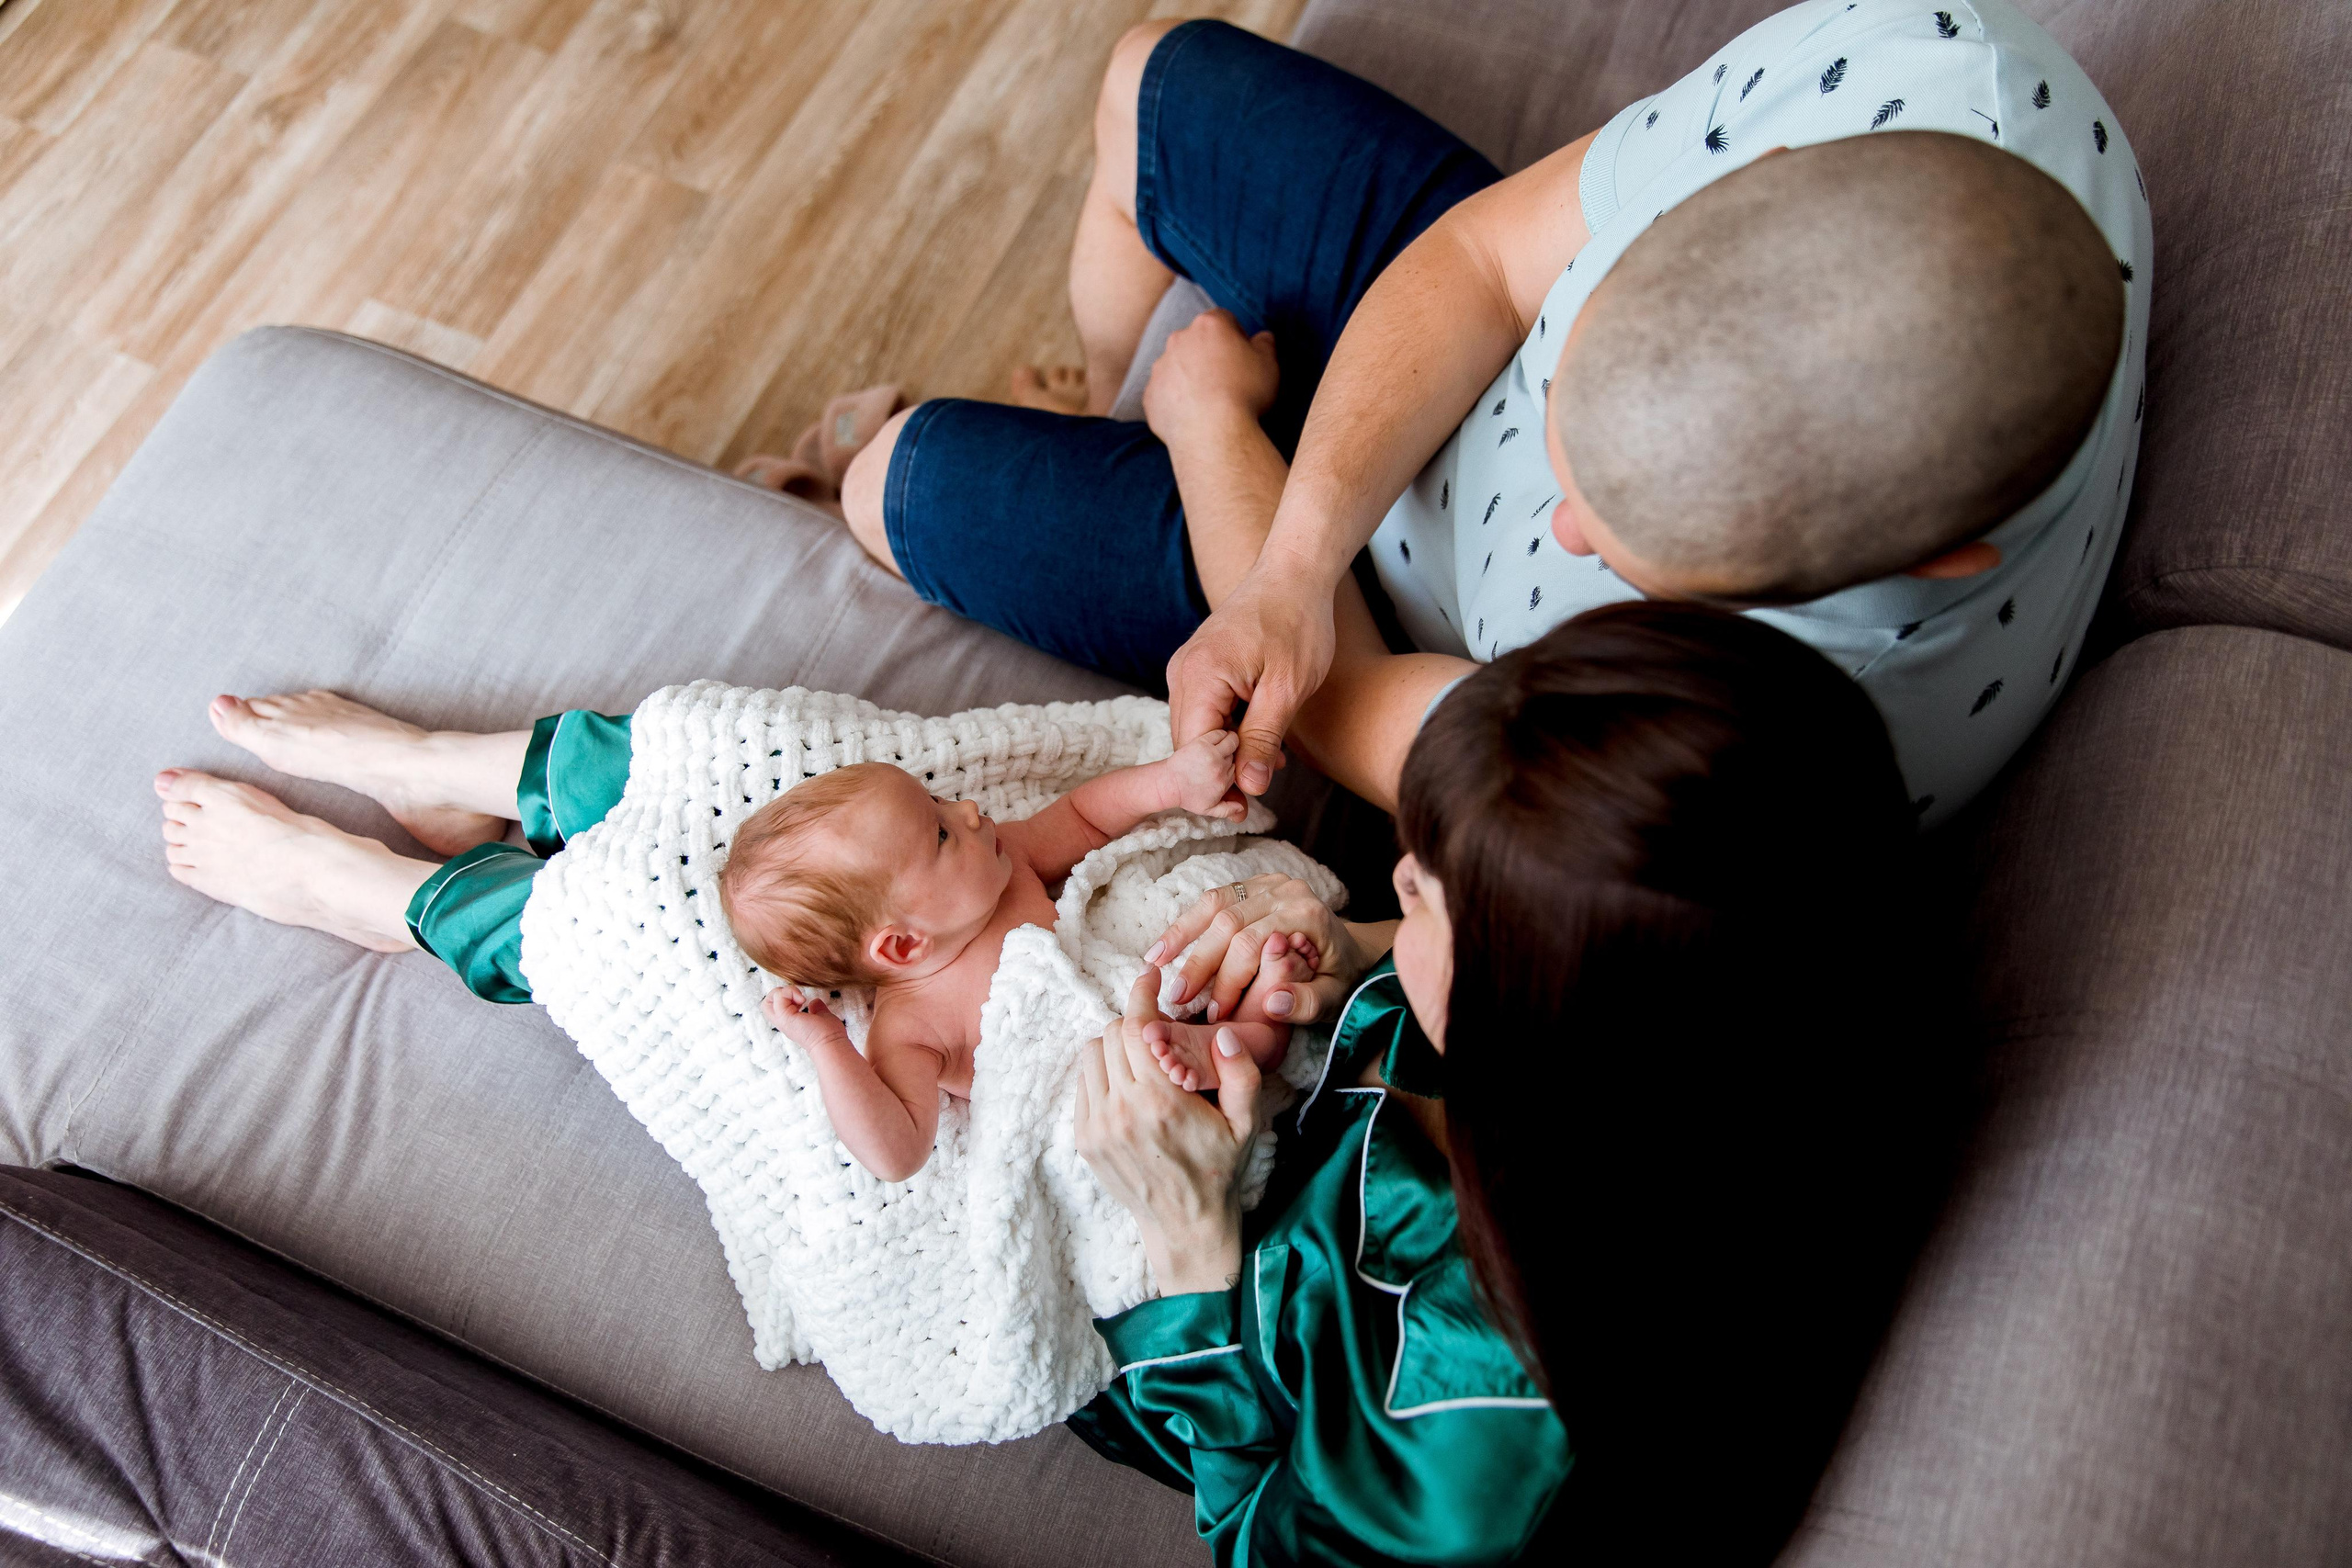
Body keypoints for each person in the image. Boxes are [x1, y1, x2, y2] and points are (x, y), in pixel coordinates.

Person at [754, 1, 2147, 825]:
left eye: (1621, 549)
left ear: (1936, 558)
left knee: (890, 480)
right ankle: (1104, 374)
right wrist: (1288, 557)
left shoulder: (1763, 756)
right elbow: (1488, 259)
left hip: (1366, 622)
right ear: (1746, 183)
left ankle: (1115, 413)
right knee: (1152, 77)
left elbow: (1361, 718)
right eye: (1581, 447)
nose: (1564, 520)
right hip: (1349, 498)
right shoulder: (1922, 60)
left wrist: (1220, 448)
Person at [1069, 600, 1938, 1563]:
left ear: (1536, 1019)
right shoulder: (1728, 996)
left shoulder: (1475, 1442)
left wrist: (1189, 1248)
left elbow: (1263, 1540)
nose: (1396, 877)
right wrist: (1355, 953)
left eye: (1431, 894)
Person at [152, 695, 1304, 1182]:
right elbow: (897, 1148)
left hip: (1155, 1030)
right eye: (950, 831)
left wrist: (1172, 780)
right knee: (664, 903)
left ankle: (448, 833)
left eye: (951, 815)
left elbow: (1091, 817)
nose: (975, 815)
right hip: (1141, 1054)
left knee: (727, 744)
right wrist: (822, 1050)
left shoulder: (1000, 864)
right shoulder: (912, 1023)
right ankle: (442, 867)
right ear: (898, 951)